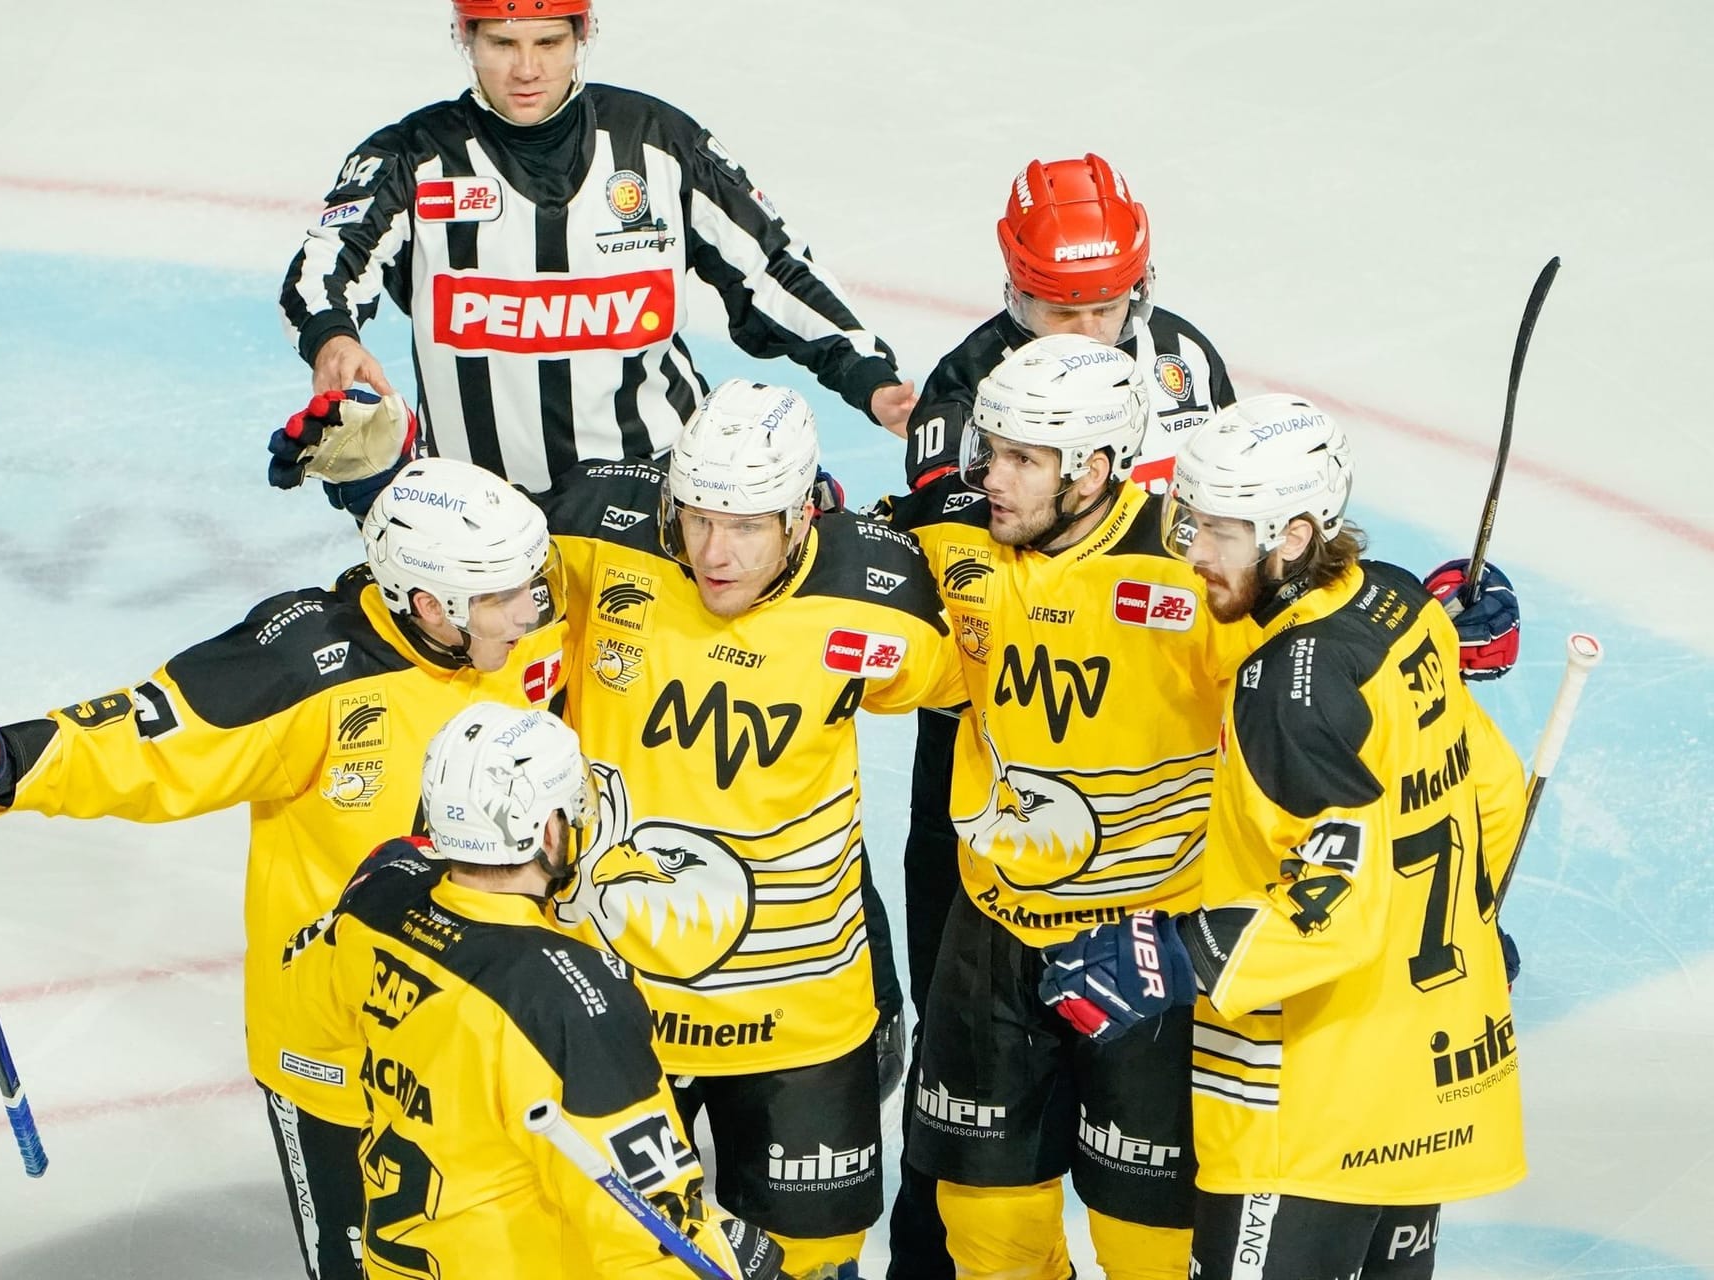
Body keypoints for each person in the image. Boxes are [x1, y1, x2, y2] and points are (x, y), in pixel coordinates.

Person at [0, 459, 571, 1280]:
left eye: (530, 588)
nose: (532, 612)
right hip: (342, 1054)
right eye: (505, 597)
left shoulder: (523, 621)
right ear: (427, 604)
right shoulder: (304, 668)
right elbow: (142, 740)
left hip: (503, 1031)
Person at [1039, 395, 1529, 1280]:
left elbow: (1336, 904)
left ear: (1294, 536)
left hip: (1306, 1112)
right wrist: (1472, 922)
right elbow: (1483, 789)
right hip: (1420, 1079)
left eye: (1219, 533)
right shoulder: (1400, 607)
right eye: (1189, 523)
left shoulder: (1280, 691)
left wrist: (1175, 955)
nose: (1192, 552)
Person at [884, 156, 1238, 1279]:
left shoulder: (1185, 357)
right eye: (1055, 306)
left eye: (1104, 304)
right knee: (973, 1086)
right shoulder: (963, 394)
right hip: (1008, 737)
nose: (1083, 327)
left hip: (1156, 752)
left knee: (1160, 1194)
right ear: (1010, 290)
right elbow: (974, 588)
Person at [538, 378, 969, 1279]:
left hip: (799, 1024)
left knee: (807, 1267)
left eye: (744, 526)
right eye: (695, 518)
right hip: (617, 1006)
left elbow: (997, 678)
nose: (713, 552)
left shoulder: (880, 593)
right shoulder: (595, 528)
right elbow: (457, 584)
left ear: (805, 515)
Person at [276, 0, 916, 500]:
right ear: (464, 37)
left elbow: (771, 268)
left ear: (583, 36)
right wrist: (334, 336)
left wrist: (870, 378)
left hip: (660, 490)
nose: (526, 69)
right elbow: (327, 263)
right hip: (479, 507)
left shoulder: (659, 142)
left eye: (548, 42)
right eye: (502, 43)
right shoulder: (410, 156)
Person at [277, 702, 785, 1279]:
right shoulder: (568, 998)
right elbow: (654, 1237)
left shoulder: (379, 900)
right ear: (549, 829)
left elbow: (304, 1018)